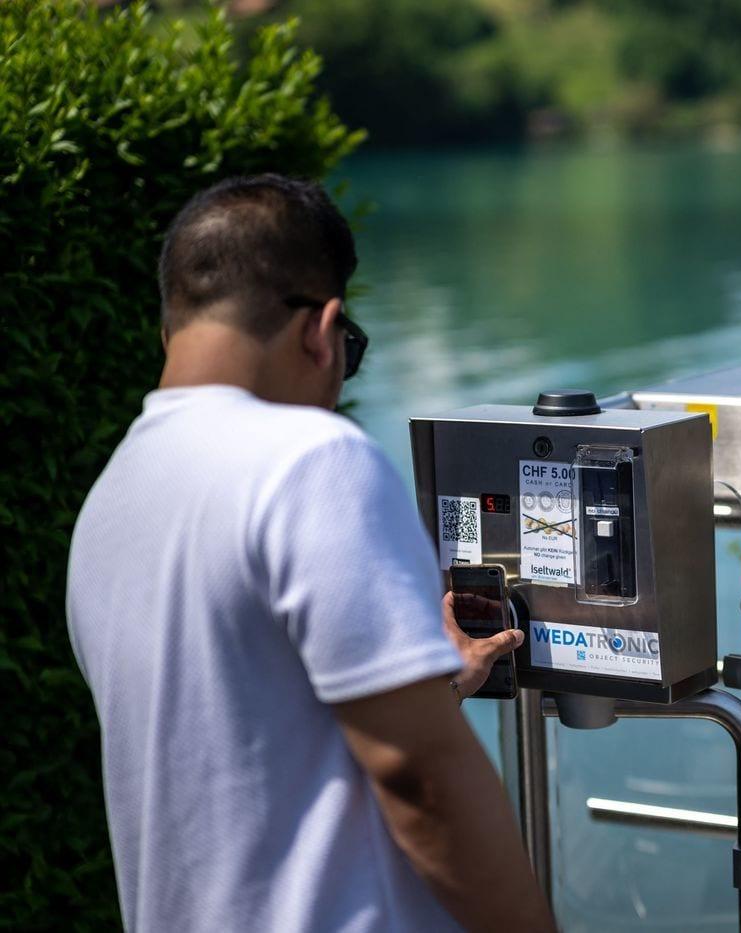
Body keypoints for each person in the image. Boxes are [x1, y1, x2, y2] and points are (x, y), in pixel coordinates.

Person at [66, 174, 556, 932]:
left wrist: (432, 686)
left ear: (172, 329)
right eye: (348, 352)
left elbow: (234, 743)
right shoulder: (311, 459)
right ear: (321, 331)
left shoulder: (108, 501)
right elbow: (422, 779)